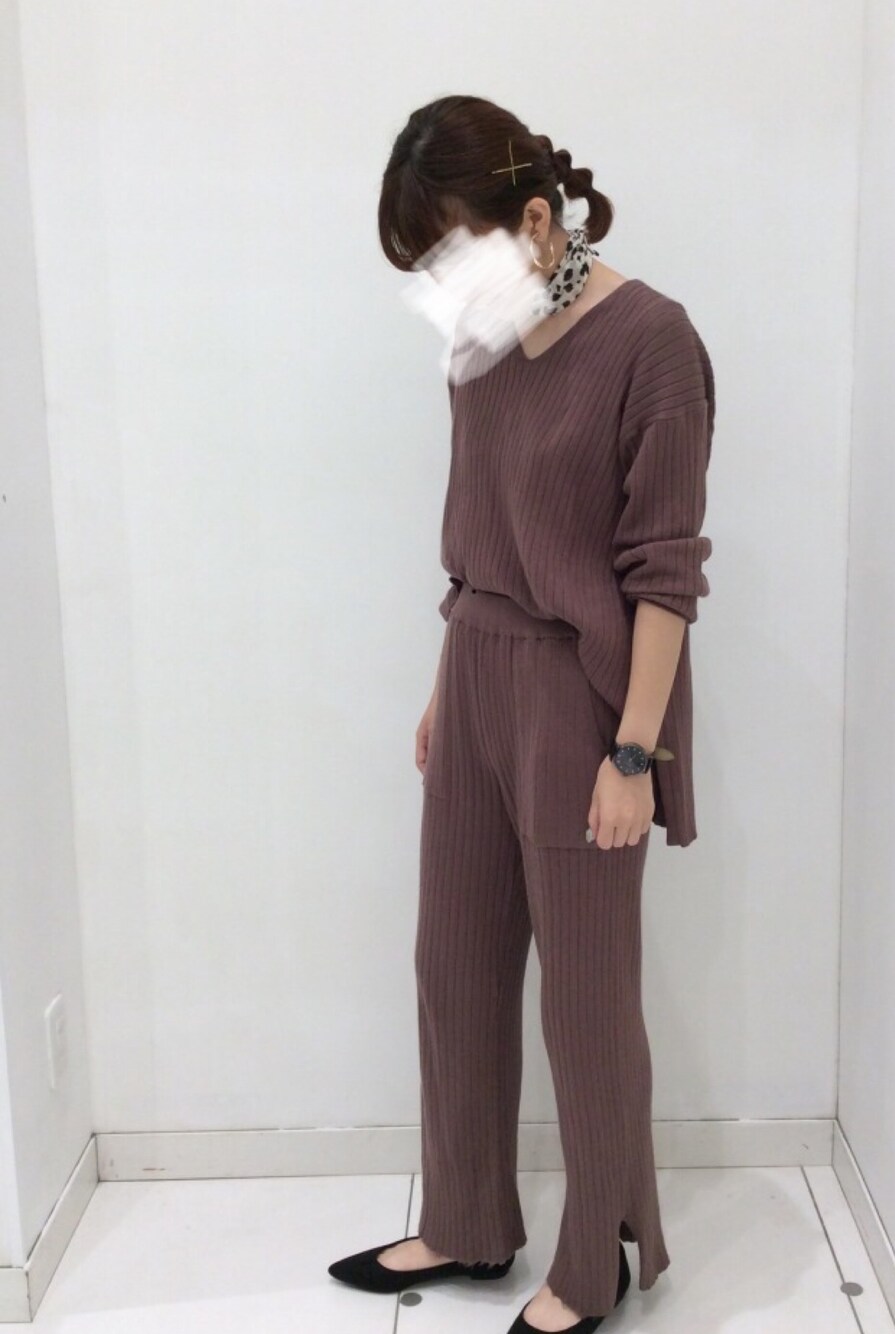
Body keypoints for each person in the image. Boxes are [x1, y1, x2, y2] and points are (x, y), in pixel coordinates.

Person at [328, 94, 715, 1334]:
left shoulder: (653, 342)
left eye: (451, 251)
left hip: (579, 695)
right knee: (452, 965)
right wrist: (445, 685)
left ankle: (595, 1261)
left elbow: (663, 572)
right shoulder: (480, 340)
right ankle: (467, 1219)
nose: (443, 285)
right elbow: (479, 527)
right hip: (476, 666)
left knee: (585, 999)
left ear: (537, 219)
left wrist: (633, 751)